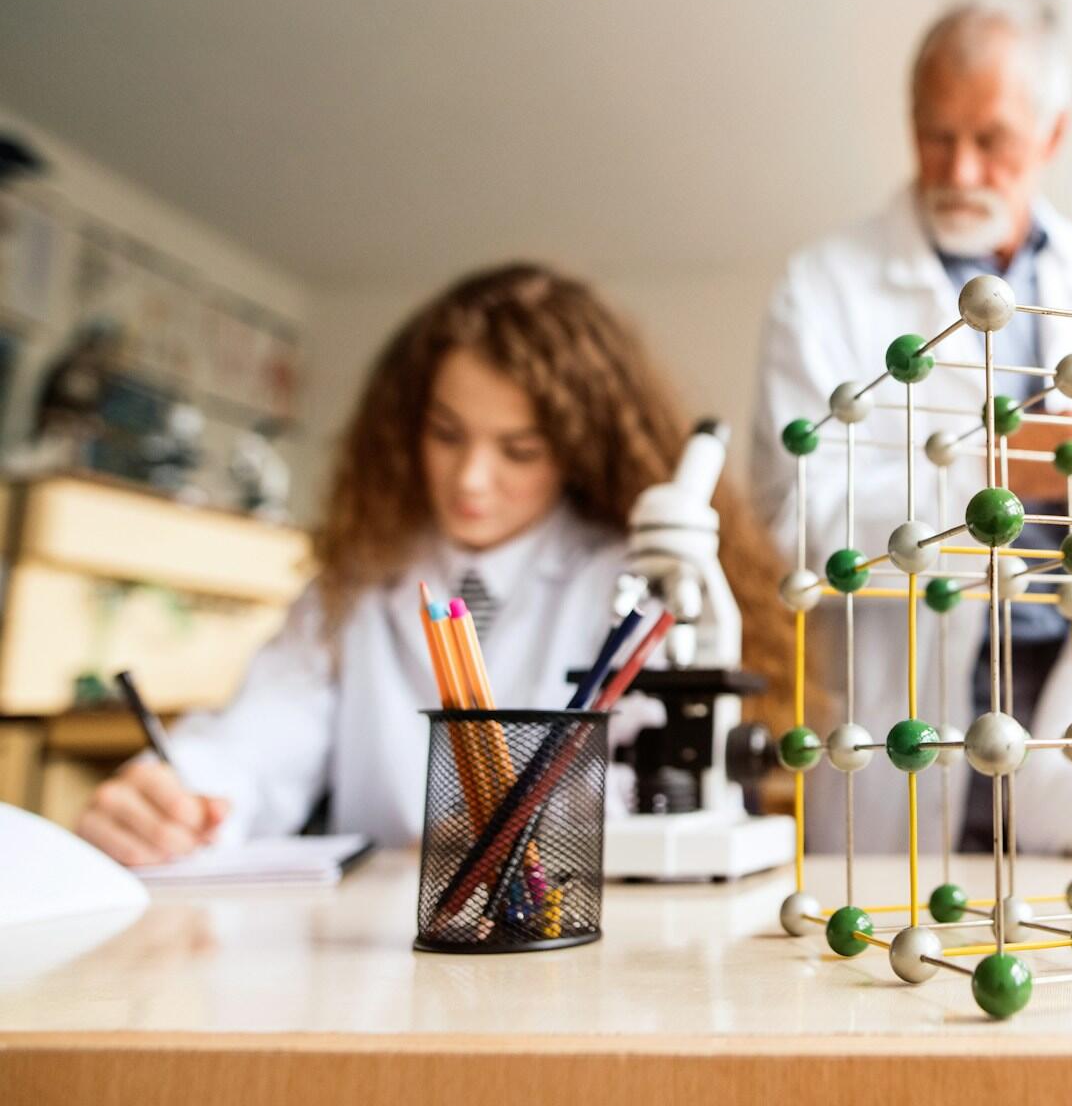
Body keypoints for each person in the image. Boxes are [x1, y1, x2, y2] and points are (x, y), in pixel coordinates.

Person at [75, 264, 791, 863]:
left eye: (519, 450)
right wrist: (173, 798)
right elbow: (259, 739)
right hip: (384, 947)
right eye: (448, 435)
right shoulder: (359, 583)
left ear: (576, 448)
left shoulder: (632, 583)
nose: (471, 480)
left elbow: (659, 791)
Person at [751, 0, 1072, 855]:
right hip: (910, 713)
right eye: (936, 135)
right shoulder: (825, 289)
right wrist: (987, 478)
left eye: (991, 140)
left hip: (1069, 696)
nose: (960, 170)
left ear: (1053, 136)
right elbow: (786, 527)